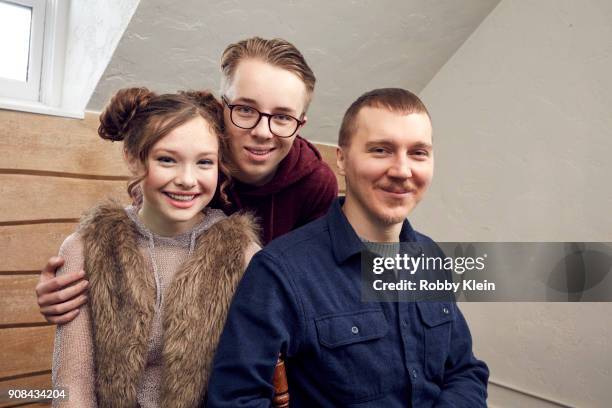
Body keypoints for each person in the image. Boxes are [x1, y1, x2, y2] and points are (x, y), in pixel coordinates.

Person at [206, 88, 489, 407]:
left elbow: (465, 371)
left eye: (418, 153)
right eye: (381, 150)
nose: (402, 170)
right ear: (342, 159)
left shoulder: (430, 257)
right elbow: (234, 400)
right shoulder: (280, 272)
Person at [36, 37, 338, 324]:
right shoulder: (187, 156)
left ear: (300, 124)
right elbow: (144, 245)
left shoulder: (316, 184)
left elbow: (311, 281)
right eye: (245, 109)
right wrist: (75, 295)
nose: (262, 131)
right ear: (223, 106)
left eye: (283, 117)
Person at [51, 88, 260, 407]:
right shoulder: (85, 247)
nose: (187, 179)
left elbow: (250, 378)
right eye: (166, 159)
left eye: (204, 162)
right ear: (134, 158)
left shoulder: (241, 253)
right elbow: (71, 384)